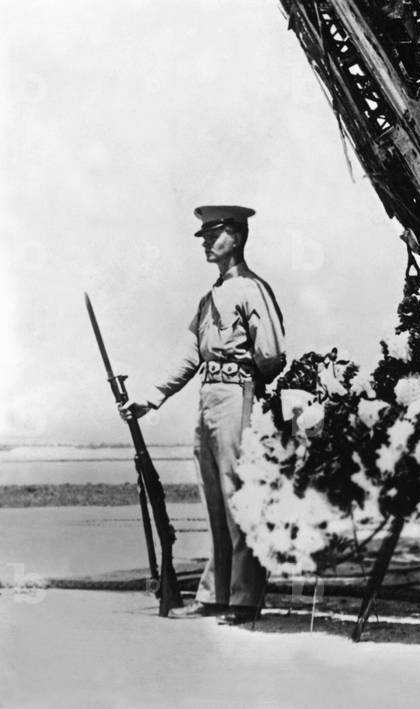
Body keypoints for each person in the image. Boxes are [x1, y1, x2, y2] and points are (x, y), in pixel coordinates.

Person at [120, 205, 286, 625]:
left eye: (214, 235)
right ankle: (215, 594)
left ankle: (245, 599)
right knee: (214, 500)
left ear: (237, 236)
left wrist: (247, 379)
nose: (207, 243)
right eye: (205, 236)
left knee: (238, 496)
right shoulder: (210, 296)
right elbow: (190, 353)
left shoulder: (252, 289)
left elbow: (271, 354)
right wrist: (152, 398)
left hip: (237, 394)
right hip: (209, 396)